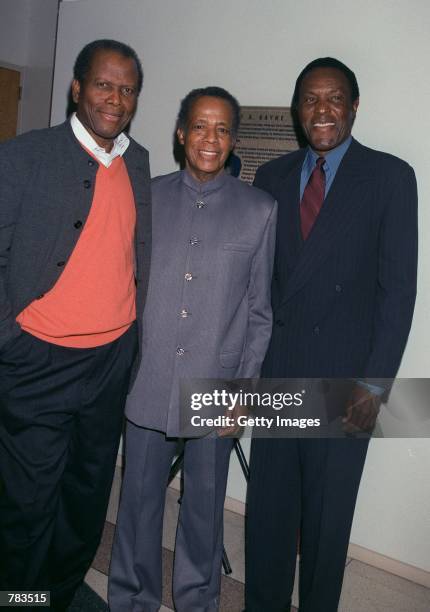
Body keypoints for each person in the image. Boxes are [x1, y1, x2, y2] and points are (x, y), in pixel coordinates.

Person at [245, 57, 417, 611]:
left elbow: (398, 291)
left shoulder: (390, 177)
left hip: (347, 382)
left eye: (334, 98)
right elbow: (259, 285)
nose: (322, 111)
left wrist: (375, 384)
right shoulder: (270, 176)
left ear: (354, 106)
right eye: (310, 100)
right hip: (279, 370)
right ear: (298, 110)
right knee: (268, 515)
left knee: (326, 520)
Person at [108, 86, 277, 612]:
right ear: (181, 132)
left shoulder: (260, 210)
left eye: (223, 129)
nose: (211, 138)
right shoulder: (147, 197)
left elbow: (259, 312)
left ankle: (197, 601)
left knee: (203, 510)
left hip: (216, 387)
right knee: (137, 504)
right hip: (148, 377)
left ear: (233, 140)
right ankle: (132, 599)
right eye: (201, 126)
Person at [0, 39, 151, 610]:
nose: (115, 98)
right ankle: (21, 601)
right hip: (36, 360)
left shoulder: (136, 162)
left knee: (86, 497)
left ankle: (58, 596)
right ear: (77, 88)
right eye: (104, 84)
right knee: (27, 504)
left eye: (127, 89)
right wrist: (8, 338)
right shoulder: (22, 156)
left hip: (110, 361)